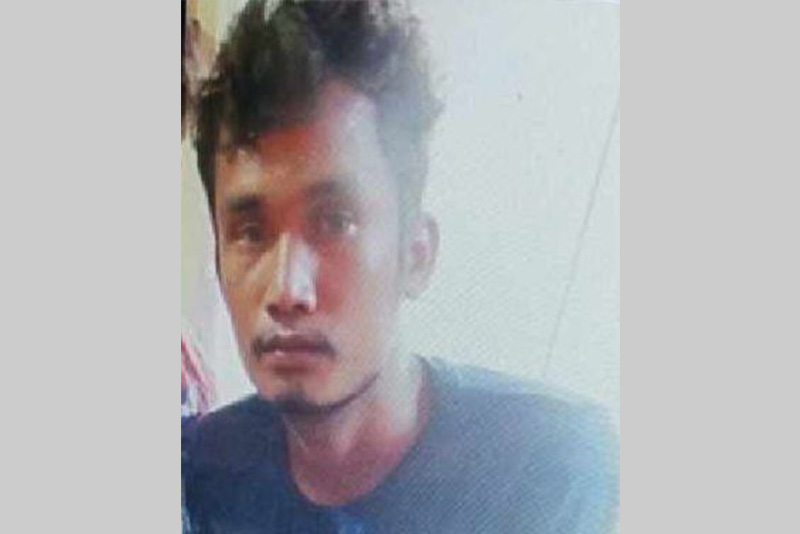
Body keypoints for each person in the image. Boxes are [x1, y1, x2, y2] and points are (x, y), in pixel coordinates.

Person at [184, 1, 619, 533]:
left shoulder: (548, 469)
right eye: (250, 233)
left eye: (335, 222)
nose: (287, 288)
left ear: (416, 254)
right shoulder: (200, 472)